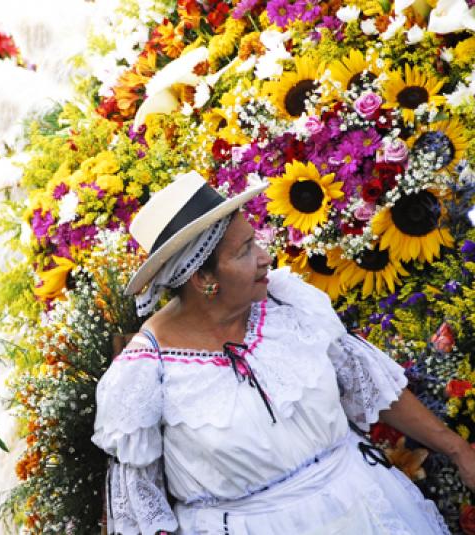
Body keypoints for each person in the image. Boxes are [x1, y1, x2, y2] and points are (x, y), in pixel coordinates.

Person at [92, 170, 475, 534]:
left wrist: (457, 450)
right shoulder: (144, 374)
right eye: (245, 251)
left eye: (254, 241)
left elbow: (369, 387)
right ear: (203, 279)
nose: (265, 257)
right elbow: (142, 506)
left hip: (365, 507)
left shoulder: (287, 304)